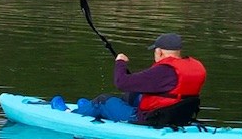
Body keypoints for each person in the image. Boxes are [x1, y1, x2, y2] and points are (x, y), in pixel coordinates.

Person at [69, 33, 206, 128]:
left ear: (159, 52)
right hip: (180, 116)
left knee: (103, 100)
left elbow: (121, 83)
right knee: (133, 94)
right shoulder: (195, 67)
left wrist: (120, 62)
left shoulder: (162, 71)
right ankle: (88, 107)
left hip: (153, 119)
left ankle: (70, 114)